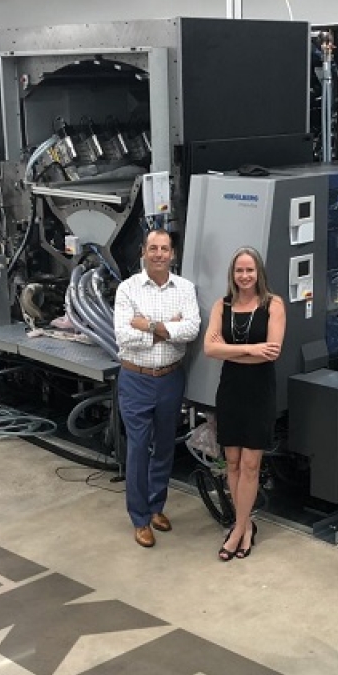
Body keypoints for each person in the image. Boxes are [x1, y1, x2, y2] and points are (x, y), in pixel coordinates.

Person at [113, 229, 201, 548]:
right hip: (136, 378)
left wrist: (148, 325)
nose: (159, 254)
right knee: (138, 448)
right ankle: (139, 518)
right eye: (153, 248)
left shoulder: (186, 289)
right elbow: (124, 336)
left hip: (170, 378)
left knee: (164, 445)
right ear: (143, 253)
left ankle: (156, 506)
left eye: (165, 249)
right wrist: (167, 328)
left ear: (173, 254)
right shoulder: (128, 290)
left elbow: (190, 329)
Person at [203, 247, 286, 561]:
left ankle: (238, 531)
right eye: (240, 270)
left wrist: (232, 350)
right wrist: (253, 349)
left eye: (250, 270)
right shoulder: (221, 306)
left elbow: (273, 352)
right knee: (233, 463)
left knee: (251, 465)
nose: (245, 276)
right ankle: (245, 525)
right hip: (231, 391)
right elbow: (210, 349)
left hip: (259, 392)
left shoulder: (273, 305)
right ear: (232, 274)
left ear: (259, 273)